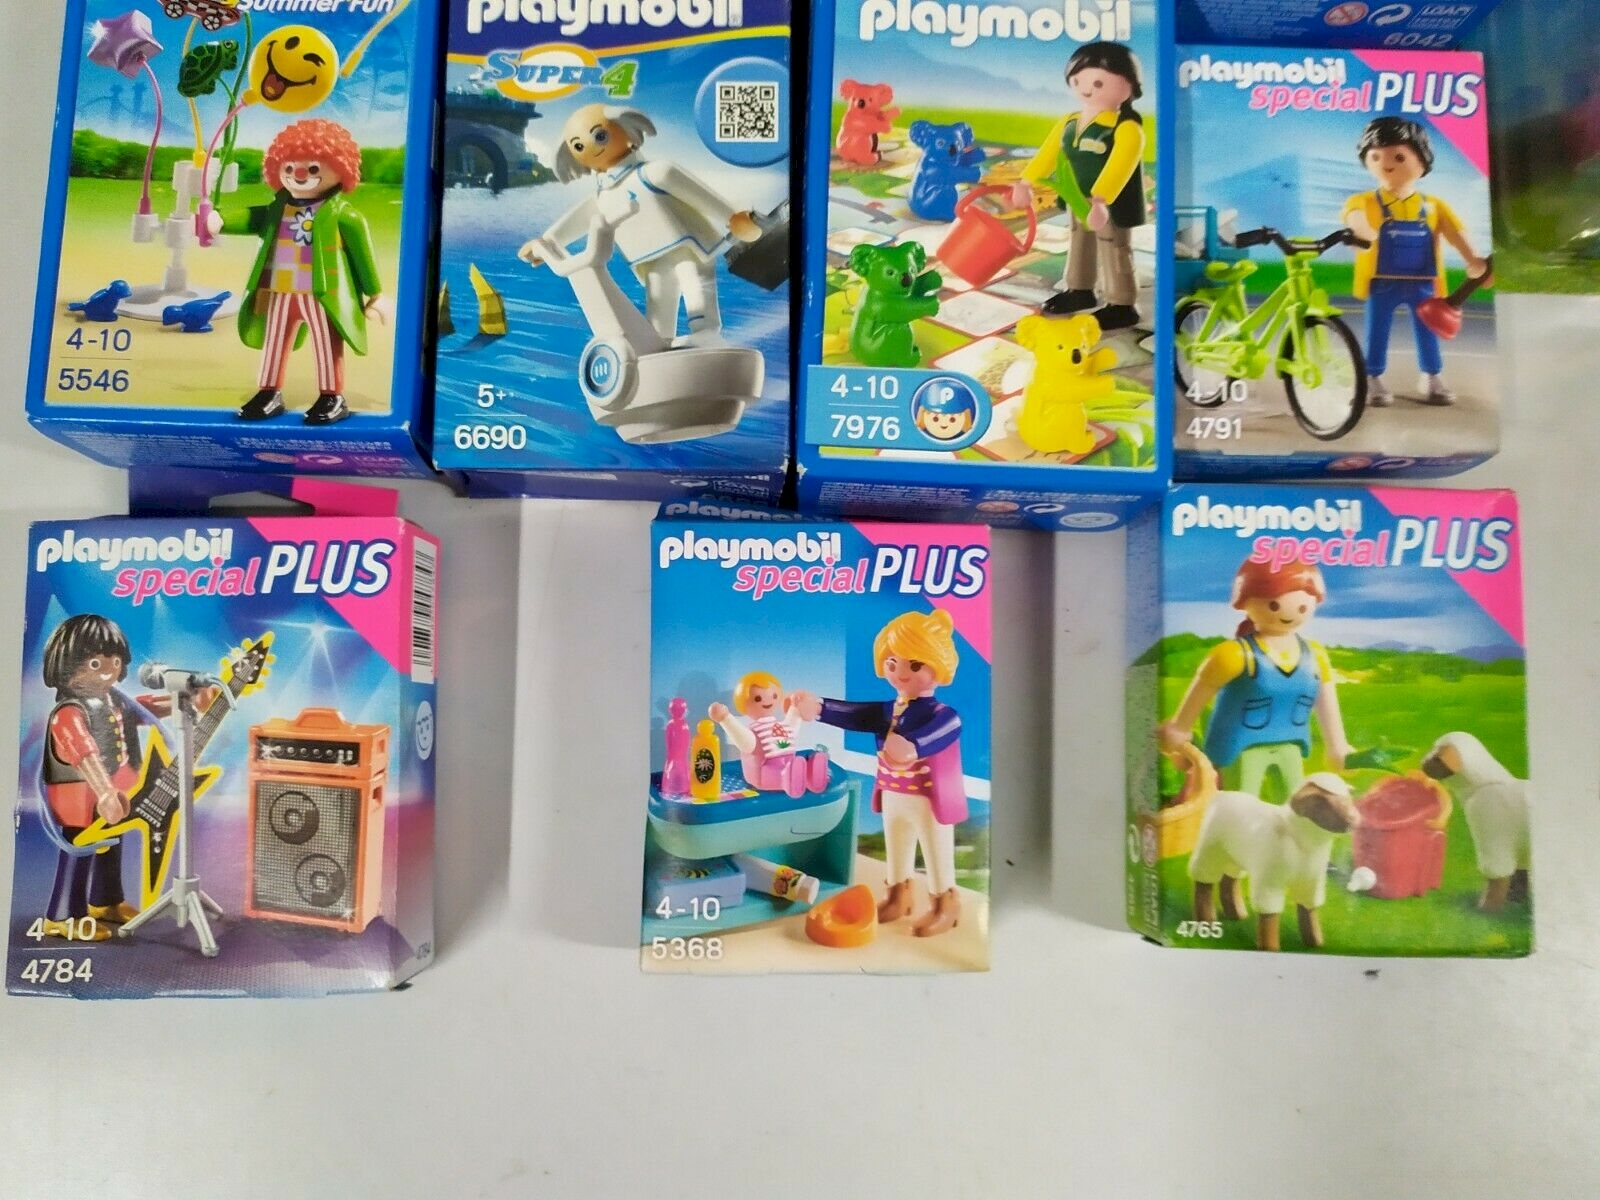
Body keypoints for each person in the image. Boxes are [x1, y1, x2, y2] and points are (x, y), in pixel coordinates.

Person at [520, 104, 761, 346]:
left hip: (687, 248)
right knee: (658, 299)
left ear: (626, 127)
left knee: (695, 285)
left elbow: (699, 194)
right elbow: (576, 220)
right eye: (579, 146)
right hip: (650, 259)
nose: (592, 147)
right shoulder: (603, 197)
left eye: (600, 136)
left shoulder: (654, 173)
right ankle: (659, 343)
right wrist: (547, 243)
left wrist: (732, 216)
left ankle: (705, 333)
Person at [792, 610, 967, 937]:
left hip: (929, 799)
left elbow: (943, 731)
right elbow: (857, 714)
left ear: (939, 665)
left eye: (915, 665)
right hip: (892, 793)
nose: (900, 673)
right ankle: (898, 897)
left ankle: (945, 903)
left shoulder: (944, 714)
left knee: (936, 851)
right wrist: (820, 708)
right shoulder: (888, 709)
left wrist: (913, 745)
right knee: (896, 846)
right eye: (892, 662)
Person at [1158, 558, 1351, 802]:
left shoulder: (1314, 655)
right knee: (1240, 804)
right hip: (1241, 746)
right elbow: (1202, 689)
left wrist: (1337, 746)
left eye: (1302, 607)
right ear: (1245, 601)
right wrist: (1180, 727)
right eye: (1274, 605)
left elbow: (1325, 699)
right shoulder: (1235, 654)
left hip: (1290, 743)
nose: (1289, 614)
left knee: (1293, 805)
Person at [237, 119, 389, 425]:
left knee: (326, 343)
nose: (299, 175)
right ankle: (268, 392)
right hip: (280, 289)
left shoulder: (342, 215)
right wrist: (216, 219)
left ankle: (332, 396)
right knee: (274, 341)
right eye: (289, 167)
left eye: (313, 168)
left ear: (341, 169)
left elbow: (361, 254)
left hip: (321, 292)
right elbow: (249, 218)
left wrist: (375, 294)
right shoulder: (277, 210)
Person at [1343, 116, 1489, 407]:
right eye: (1375, 156)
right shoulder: (1364, 201)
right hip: (1382, 282)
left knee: (1428, 330)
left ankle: (1432, 376)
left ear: (1422, 162)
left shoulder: (1433, 206)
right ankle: (1371, 376)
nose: (1386, 164)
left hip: (1423, 283)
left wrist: (1472, 258)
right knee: (1377, 329)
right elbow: (1353, 217)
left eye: (1399, 157)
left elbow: (1455, 232)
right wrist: (1362, 230)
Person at [36, 616, 167, 939]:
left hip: (112, 793)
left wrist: (184, 702)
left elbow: (144, 710)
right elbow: (83, 752)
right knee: (79, 849)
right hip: (79, 796)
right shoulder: (69, 712)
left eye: (115, 662)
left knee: (112, 843)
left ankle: (105, 900)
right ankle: (64, 915)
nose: (109, 671)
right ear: (66, 664)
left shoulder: (113, 700)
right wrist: (105, 791)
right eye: (96, 663)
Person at [1012, 41, 1147, 331]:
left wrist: (1101, 200)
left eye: (1098, 83)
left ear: (1129, 86)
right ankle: (1080, 289)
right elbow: (1047, 154)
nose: (1086, 89)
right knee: (1079, 242)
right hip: (1075, 197)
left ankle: (1122, 304)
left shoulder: (1126, 128)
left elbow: (1120, 166)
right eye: (1077, 81)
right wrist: (1026, 181)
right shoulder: (1069, 122)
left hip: (1110, 205)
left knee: (1114, 248)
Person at [709, 671, 830, 798]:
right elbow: (744, 742)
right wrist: (725, 718)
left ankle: (810, 775)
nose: (768, 701)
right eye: (757, 699)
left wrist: (795, 708)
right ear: (743, 704)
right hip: (763, 774)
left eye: (774, 696)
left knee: (794, 765)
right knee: (783, 771)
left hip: (791, 763)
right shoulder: (755, 733)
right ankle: (789, 778)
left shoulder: (780, 726)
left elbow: (791, 729)